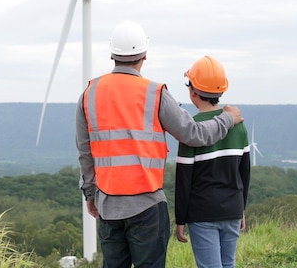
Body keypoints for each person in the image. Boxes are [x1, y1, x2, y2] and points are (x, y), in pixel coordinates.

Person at [75, 20, 244, 268]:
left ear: (112, 55)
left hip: (108, 206)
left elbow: (85, 153)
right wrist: (227, 119)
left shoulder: (89, 94)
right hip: (147, 206)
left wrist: (90, 194)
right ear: (144, 55)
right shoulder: (155, 93)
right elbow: (194, 134)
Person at [175, 55, 251, 268]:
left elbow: (184, 180)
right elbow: (245, 172)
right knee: (228, 264)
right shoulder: (239, 125)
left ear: (192, 92)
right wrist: (241, 208)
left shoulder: (190, 129)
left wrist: (180, 219)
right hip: (233, 209)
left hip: (202, 213)